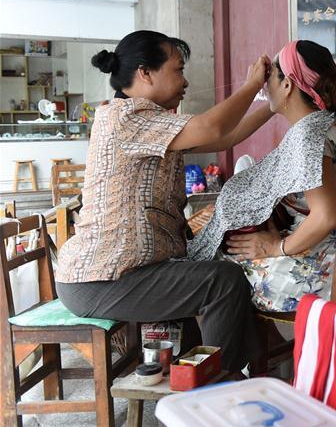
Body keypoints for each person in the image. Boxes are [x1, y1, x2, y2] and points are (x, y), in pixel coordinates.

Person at [56, 30, 274, 371]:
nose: (185, 81)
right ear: (145, 73)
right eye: (178, 69)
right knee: (222, 281)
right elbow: (213, 128)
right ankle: (217, 390)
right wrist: (251, 86)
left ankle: (203, 382)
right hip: (101, 280)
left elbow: (226, 136)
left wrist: (273, 105)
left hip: (121, 274)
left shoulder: (153, 122)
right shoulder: (125, 117)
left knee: (213, 280)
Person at [188, 40, 336, 313]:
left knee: (222, 271)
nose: (264, 83)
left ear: (288, 85)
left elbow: (326, 215)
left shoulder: (308, 135)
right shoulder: (332, 124)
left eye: (270, 76)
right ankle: (268, 351)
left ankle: (253, 353)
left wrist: (276, 247)